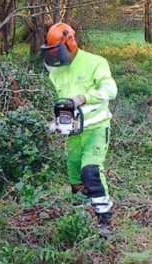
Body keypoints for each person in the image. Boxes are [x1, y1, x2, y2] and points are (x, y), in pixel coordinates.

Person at [41, 22, 118, 236]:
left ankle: (105, 219)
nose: (55, 55)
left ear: (71, 42)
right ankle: (80, 221)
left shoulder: (95, 63)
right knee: (76, 179)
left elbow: (111, 90)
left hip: (96, 128)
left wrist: (83, 98)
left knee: (90, 171)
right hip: (73, 132)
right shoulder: (56, 69)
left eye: (58, 49)